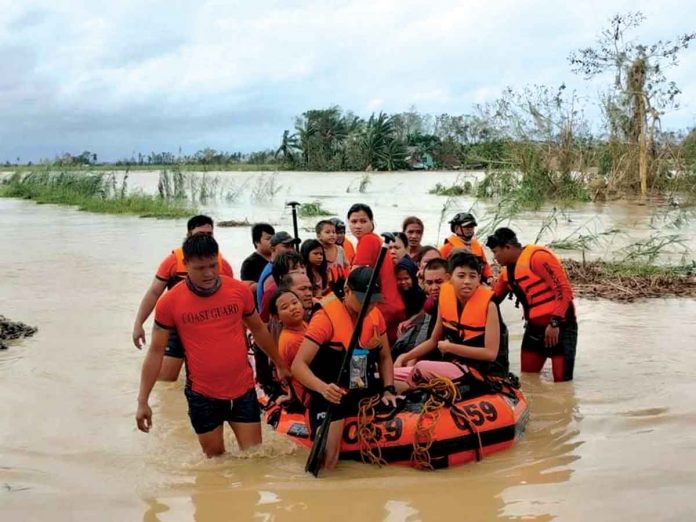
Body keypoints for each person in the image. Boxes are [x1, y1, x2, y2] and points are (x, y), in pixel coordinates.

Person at [135, 234, 290, 457]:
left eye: (213, 265)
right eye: (200, 268)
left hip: (242, 390)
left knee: (255, 459)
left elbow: (258, 330)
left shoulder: (238, 291)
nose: (209, 273)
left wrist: (280, 364)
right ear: (185, 264)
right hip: (202, 396)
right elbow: (156, 352)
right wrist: (143, 401)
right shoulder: (170, 303)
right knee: (216, 462)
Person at [291, 267, 398, 470]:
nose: (369, 305)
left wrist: (389, 388)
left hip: (363, 386)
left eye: (374, 300)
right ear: (347, 291)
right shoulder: (325, 319)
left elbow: (385, 357)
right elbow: (298, 365)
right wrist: (323, 388)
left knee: (408, 387)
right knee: (329, 459)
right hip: (332, 394)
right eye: (363, 299)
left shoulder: (375, 315)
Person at [131, 215, 235, 381]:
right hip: (177, 326)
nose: (205, 238)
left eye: (209, 234)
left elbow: (234, 301)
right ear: (188, 234)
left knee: (210, 377)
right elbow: (153, 293)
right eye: (200, 234)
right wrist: (138, 323)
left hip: (208, 326)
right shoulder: (173, 262)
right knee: (166, 381)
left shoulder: (222, 265)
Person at [393, 252, 508, 391]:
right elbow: (433, 341)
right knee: (389, 374)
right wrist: (405, 357)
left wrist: (450, 348)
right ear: (450, 278)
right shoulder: (445, 299)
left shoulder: (490, 307)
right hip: (455, 366)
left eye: (472, 276)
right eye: (461, 276)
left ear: (478, 279)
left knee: (421, 367)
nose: (466, 281)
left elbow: (490, 354)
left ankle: (408, 395)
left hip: (482, 372)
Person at [486, 227, 577, 382]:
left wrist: (554, 323)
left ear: (507, 247)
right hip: (534, 329)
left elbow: (564, 291)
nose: (494, 257)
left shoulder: (538, 257)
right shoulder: (506, 273)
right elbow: (491, 300)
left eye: (495, 252)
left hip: (560, 327)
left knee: (562, 384)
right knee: (528, 381)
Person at [348, 203, 405, 343]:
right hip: (393, 303)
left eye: (363, 221)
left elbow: (354, 275)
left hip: (380, 305)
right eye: (353, 221)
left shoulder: (367, 240)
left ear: (372, 222)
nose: (358, 226)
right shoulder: (377, 240)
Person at [269, 288, 308, 404]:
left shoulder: (303, 324)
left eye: (295, 303)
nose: (293, 308)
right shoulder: (290, 341)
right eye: (285, 307)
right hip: (310, 392)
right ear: (277, 317)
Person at [439, 213, 493, 283]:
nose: (470, 229)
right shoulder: (447, 248)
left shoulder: (477, 246)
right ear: (456, 228)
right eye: (466, 227)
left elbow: (485, 265)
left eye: (472, 227)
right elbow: (439, 268)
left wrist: (489, 276)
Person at [256, 231, 301, 309]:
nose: (291, 250)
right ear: (273, 249)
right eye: (286, 246)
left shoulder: (276, 267)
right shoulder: (272, 275)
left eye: (292, 246)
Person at [240, 223, 275, 294]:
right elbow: (248, 288)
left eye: (273, 238)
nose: (272, 241)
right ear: (257, 242)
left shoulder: (278, 257)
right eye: (268, 239)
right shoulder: (250, 263)